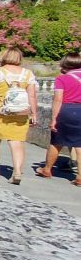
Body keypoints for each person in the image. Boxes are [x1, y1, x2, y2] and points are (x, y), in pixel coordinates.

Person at [0, 47, 38, 185]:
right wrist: (34, 113)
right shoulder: (28, 73)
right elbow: (32, 95)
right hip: (20, 111)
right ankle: (17, 171)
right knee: (17, 141)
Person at [36, 53, 81, 184]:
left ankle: (47, 169)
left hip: (67, 110)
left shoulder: (62, 79)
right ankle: (79, 177)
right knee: (80, 145)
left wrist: (54, 118)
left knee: (57, 141)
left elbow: (57, 99)